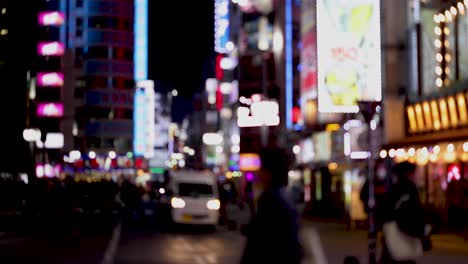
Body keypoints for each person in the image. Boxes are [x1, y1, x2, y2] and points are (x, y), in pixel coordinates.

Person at [241, 148, 302, 264]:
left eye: (262, 169)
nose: (259, 173)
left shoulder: (270, 199)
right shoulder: (286, 197)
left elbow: (259, 243)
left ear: (269, 172)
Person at [380, 161, 427, 264]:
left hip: (394, 227)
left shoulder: (395, 188)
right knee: (403, 256)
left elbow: (385, 208)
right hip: (405, 229)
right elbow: (415, 211)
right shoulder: (410, 188)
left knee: (393, 254)